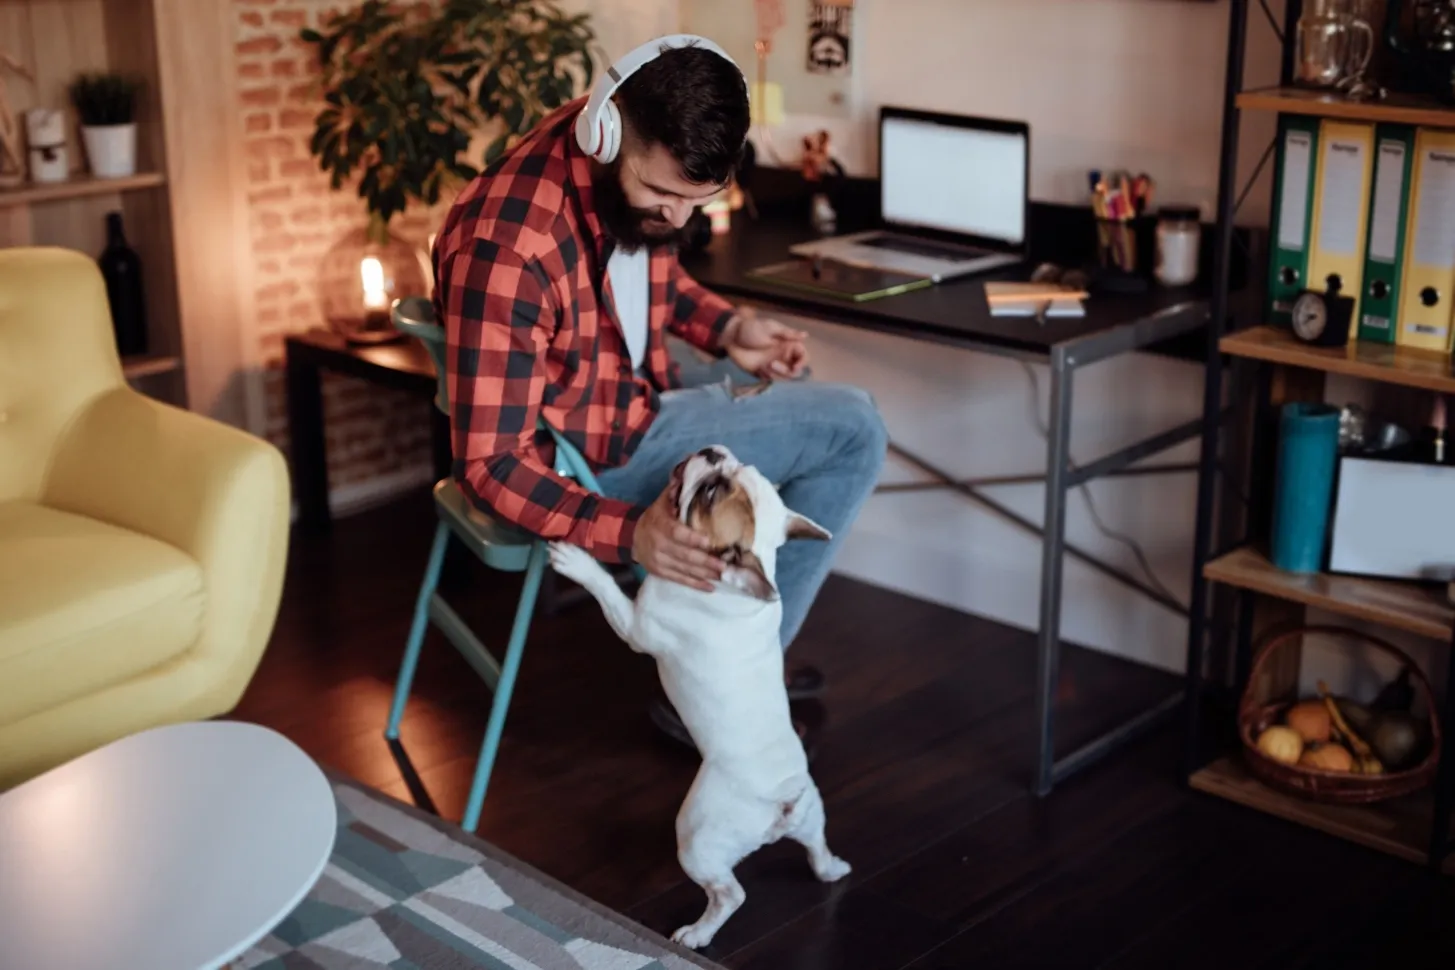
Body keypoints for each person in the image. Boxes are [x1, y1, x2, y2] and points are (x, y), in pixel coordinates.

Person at [430, 35, 887, 750]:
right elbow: (490, 465)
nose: (676, 218)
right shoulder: (509, 248)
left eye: (696, 200)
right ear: (606, 135)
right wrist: (626, 530)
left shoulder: (610, 157)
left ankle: (714, 648)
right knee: (852, 426)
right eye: (663, 195)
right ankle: (732, 680)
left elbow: (645, 274)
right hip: (585, 457)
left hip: (621, 386)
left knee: (776, 388)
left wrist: (728, 326)